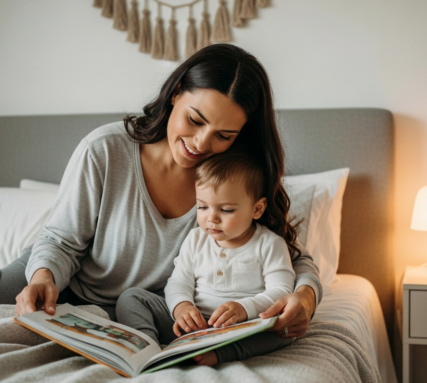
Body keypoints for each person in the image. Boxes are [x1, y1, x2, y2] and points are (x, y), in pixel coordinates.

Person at [0, 44, 322, 342]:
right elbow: (61, 240)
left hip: (136, 309)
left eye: (224, 135)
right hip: (63, 277)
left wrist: (305, 297)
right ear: (175, 93)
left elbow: (289, 256)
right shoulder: (105, 150)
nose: (201, 143)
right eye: (195, 120)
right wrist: (42, 277)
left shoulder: (233, 181)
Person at [116, 147, 297, 366]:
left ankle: (220, 354)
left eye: (226, 210)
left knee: (285, 330)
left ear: (257, 208)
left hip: (243, 326)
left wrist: (244, 309)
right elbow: (179, 281)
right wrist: (182, 307)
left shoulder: (269, 244)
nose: (211, 218)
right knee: (131, 298)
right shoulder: (195, 239)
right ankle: (149, 349)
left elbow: (281, 292)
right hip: (195, 322)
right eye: (202, 207)